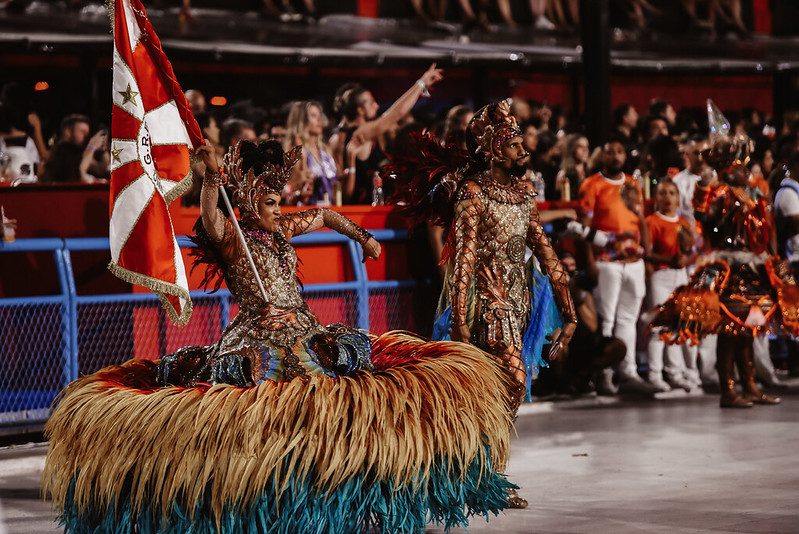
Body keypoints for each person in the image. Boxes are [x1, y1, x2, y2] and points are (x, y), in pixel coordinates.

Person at [43, 138, 516, 532]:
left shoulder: (283, 228)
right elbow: (209, 217)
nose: (278, 209)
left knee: (344, 377)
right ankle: (266, 488)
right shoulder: (233, 237)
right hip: (258, 332)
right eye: (269, 202)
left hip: (305, 326)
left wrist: (363, 238)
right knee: (267, 388)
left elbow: (326, 216)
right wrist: (210, 180)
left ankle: (338, 482)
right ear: (249, 202)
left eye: (279, 201)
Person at [387, 99, 577, 509]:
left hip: (520, 302)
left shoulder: (525, 194)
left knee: (500, 390)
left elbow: (548, 257)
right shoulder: (473, 194)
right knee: (512, 379)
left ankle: (483, 473)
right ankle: (479, 474)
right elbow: (463, 260)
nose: (523, 150)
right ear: (492, 151)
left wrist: (571, 315)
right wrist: (459, 321)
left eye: (521, 143)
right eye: (513, 145)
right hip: (483, 303)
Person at [653, 129, 794, 408]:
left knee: (749, 330)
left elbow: (764, 231)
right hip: (728, 266)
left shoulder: (753, 192)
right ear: (728, 169)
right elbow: (705, 220)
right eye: (739, 166)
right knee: (730, 331)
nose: (746, 170)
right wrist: (705, 191)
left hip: (753, 265)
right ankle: (728, 389)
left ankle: (751, 384)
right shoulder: (719, 192)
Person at [579, 138, 657, 396]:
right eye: (609, 150)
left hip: (633, 261)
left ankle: (628, 371)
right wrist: (589, 260)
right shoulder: (592, 185)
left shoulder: (633, 184)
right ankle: (604, 374)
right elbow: (584, 227)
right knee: (606, 318)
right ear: (601, 156)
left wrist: (645, 258)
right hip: (606, 261)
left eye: (619, 151)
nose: (615, 155)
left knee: (628, 319)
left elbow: (640, 220)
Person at [343, 64, 443, 203]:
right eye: (371, 102)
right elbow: (395, 114)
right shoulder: (360, 133)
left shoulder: (371, 133)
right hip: (363, 211)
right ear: (360, 110)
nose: (376, 105)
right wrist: (421, 83)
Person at [644, 180, 697, 392]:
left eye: (672, 193)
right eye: (663, 193)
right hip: (661, 275)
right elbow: (646, 252)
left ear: (678, 197)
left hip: (680, 275)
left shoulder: (683, 222)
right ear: (657, 198)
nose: (668, 198)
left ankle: (676, 372)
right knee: (660, 326)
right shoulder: (651, 221)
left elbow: (692, 251)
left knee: (679, 327)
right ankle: (654, 374)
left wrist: (687, 259)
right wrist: (668, 259)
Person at [285, 101, 341, 205]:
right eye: (313, 115)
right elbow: (294, 185)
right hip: (307, 214)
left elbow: (337, 180)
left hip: (331, 212)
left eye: (320, 115)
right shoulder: (295, 151)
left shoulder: (326, 150)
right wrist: (304, 159)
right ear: (301, 121)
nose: (319, 119)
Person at [42, 114, 108, 183]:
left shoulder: (80, 152)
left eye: (87, 133)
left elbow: (101, 169)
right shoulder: (60, 152)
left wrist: (103, 150)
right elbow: (80, 172)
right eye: (83, 132)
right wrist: (92, 147)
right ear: (68, 131)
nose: (86, 136)